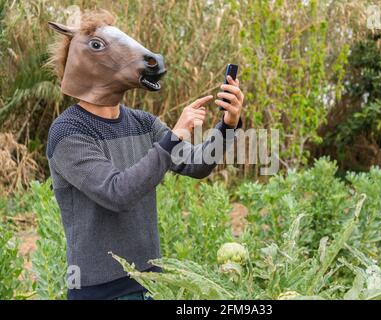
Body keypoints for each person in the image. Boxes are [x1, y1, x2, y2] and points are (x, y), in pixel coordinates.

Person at [46, 10, 243, 300]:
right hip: (101, 291)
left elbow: (197, 165)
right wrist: (174, 137)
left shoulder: (142, 122)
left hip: (152, 284)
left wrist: (227, 126)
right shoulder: (67, 132)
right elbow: (117, 193)